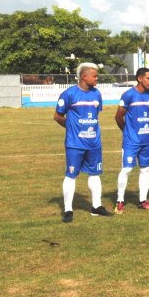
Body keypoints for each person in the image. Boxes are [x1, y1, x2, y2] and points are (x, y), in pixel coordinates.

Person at [54, 62, 111, 222]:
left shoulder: (97, 94)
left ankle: (96, 207)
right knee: (71, 174)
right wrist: (72, 128)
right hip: (75, 144)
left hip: (94, 143)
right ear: (84, 76)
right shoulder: (69, 94)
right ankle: (68, 210)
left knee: (95, 174)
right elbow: (58, 116)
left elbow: (94, 116)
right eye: (95, 75)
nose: (97, 78)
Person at [113, 67, 149, 212]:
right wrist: (128, 132)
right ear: (140, 78)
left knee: (145, 170)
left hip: (147, 141)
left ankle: (142, 201)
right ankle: (120, 201)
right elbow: (119, 117)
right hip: (131, 141)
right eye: (148, 78)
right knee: (126, 169)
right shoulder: (128, 95)